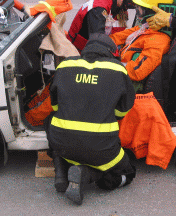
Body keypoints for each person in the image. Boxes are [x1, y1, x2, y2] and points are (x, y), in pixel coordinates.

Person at [45, 33, 136, 205]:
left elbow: (55, 107)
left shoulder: (65, 65)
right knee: (127, 172)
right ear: (111, 52)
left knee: (50, 121)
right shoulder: (117, 69)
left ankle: (61, 170)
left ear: (86, 49)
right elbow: (123, 111)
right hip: (102, 149)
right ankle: (88, 175)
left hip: (63, 145)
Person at [68, 0, 150, 52]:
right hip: (78, 53)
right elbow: (97, 45)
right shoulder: (99, 9)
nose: (131, 7)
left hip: (97, 49)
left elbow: (116, 36)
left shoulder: (120, 9)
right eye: (131, 3)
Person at [109, 0, 174, 85]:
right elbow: (115, 38)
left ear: (151, 11)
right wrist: (100, 44)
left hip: (127, 84)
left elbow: (137, 72)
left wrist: (108, 67)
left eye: (140, 9)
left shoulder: (158, 41)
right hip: (119, 74)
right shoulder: (144, 29)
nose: (137, 12)